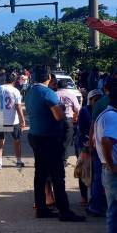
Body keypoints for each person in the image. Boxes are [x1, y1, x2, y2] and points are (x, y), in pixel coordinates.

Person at [25, 65, 85, 222]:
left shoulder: (30, 92)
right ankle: (64, 211)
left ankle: (41, 208)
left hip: (35, 136)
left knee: (40, 174)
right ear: (49, 78)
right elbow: (59, 116)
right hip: (49, 138)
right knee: (58, 175)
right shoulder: (47, 93)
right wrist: (62, 107)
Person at [0, 71, 25, 170]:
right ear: (14, 81)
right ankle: (18, 161)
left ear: (5, 80)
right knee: (17, 140)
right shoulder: (15, 91)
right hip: (13, 120)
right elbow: (18, 107)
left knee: (0, 141)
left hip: (0, 118)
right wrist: (22, 120)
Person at [94, 86, 117, 233]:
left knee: (113, 212)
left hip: (107, 169)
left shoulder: (104, 114)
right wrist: (112, 165)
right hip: (113, 170)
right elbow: (107, 140)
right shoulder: (113, 116)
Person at [76, 89, 104, 211]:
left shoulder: (102, 111)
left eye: (99, 99)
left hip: (98, 146)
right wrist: (87, 144)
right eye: (95, 100)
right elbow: (81, 129)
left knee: (97, 174)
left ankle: (97, 198)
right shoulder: (84, 111)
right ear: (90, 100)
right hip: (84, 144)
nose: (97, 102)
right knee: (84, 171)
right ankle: (84, 197)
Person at [56, 79, 81, 163]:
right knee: (66, 140)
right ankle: (63, 159)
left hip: (55, 120)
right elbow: (77, 109)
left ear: (57, 86)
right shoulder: (71, 95)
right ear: (67, 86)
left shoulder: (54, 94)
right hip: (68, 120)